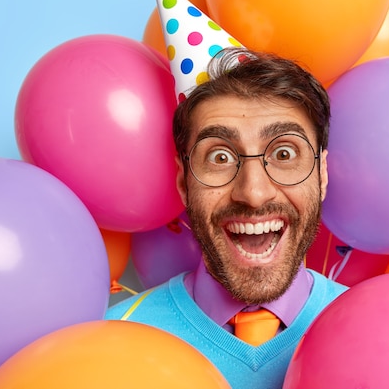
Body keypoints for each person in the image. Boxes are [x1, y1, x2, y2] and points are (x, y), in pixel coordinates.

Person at [106, 47, 347, 389]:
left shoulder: (381, 331)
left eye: (283, 153)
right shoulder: (111, 342)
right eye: (219, 157)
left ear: (321, 174)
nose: (253, 193)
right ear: (183, 183)